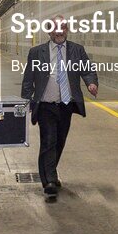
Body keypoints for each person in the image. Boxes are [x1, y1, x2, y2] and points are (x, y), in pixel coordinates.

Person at [21, 15, 98, 200]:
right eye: (55, 28)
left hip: (66, 105)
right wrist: (25, 101)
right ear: (49, 30)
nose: (59, 31)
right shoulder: (36, 52)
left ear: (67, 29)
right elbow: (28, 78)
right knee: (49, 140)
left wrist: (91, 83)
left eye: (63, 27)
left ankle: (50, 172)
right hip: (46, 105)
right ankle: (49, 180)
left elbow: (87, 69)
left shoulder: (77, 50)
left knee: (60, 140)